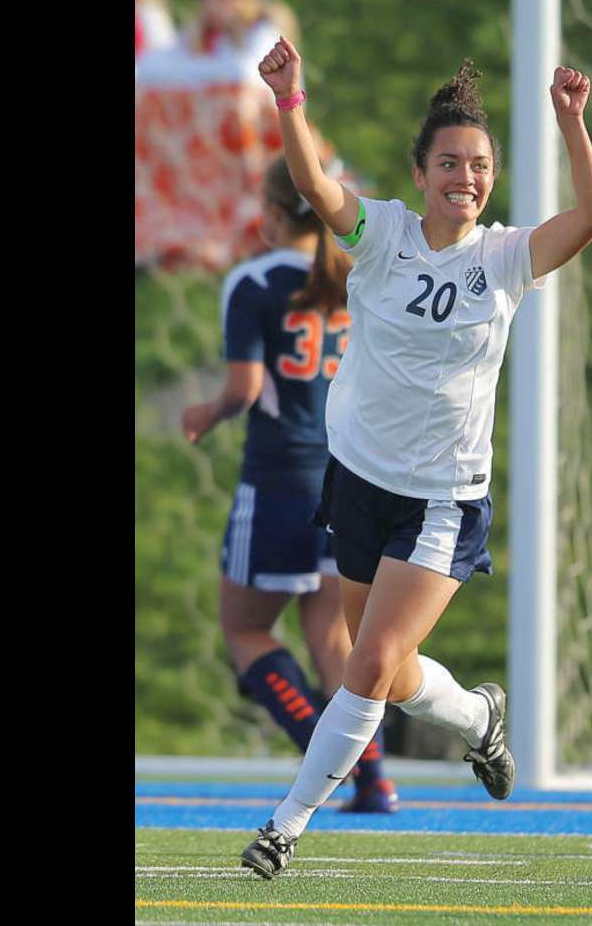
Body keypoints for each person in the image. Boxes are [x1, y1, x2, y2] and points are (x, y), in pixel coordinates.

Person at [238, 36, 592, 879]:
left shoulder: (507, 258)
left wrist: (570, 122)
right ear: (421, 174)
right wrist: (289, 100)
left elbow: (591, 218)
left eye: (479, 166)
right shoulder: (380, 235)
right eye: (450, 163)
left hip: (443, 499)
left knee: (364, 666)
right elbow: (312, 186)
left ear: (492, 178)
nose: (466, 178)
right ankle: (480, 721)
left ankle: (284, 828)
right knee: (390, 666)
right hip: (359, 483)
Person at [180, 156, 398, 815]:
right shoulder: (358, 272)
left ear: (275, 215)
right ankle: (376, 781)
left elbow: (247, 389)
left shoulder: (254, 282)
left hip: (278, 478)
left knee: (245, 630)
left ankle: (321, 759)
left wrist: (206, 411)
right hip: (352, 473)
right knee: (334, 638)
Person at [137, 0, 294, 90]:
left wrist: (189, 67)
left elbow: (245, 74)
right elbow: (148, 67)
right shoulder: (205, 34)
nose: (208, 4)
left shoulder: (265, 31)